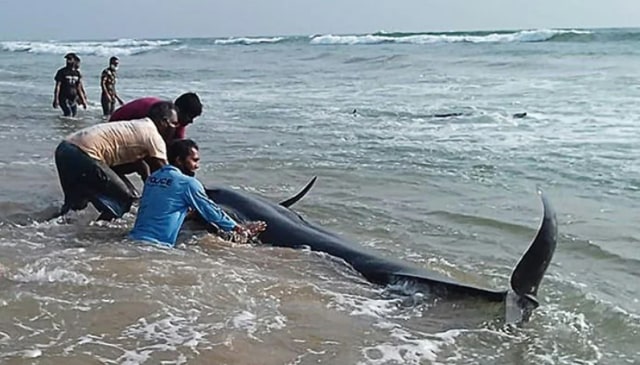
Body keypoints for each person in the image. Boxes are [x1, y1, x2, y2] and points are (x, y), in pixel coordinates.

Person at [54, 101, 178, 221]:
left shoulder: (138, 126)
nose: (176, 129)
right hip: (83, 153)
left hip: (65, 148)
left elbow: (142, 167)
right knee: (125, 199)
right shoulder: (153, 135)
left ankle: (48, 230)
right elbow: (166, 173)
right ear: (164, 122)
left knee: (75, 206)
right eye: (175, 123)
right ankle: (98, 235)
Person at [129, 139, 266, 247]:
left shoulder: (153, 178)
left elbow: (161, 208)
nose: (197, 165)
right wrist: (238, 228)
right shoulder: (187, 183)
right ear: (179, 160)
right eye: (194, 160)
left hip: (133, 239)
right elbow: (211, 211)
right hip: (157, 246)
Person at [109, 92, 202, 140]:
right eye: (190, 117)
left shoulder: (177, 122)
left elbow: (178, 146)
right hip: (116, 127)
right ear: (180, 110)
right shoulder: (156, 113)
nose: (191, 121)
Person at [52, 53, 87, 117]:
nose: (68, 61)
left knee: (74, 115)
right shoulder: (61, 72)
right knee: (68, 113)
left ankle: (68, 126)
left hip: (73, 98)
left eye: (70, 59)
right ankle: (64, 126)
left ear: (75, 61)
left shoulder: (77, 73)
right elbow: (58, 86)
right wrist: (56, 99)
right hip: (63, 97)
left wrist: (83, 100)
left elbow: (79, 88)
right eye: (67, 59)